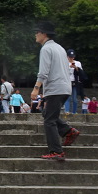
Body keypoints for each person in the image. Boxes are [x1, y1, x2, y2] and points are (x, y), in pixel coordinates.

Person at [31, 22, 78, 161]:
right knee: (48, 113)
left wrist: (36, 88)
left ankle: (56, 151)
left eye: (37, 32)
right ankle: (68, 131)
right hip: (65, 88)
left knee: (49, 120)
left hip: (55, 88)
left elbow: (43, 71)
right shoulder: (60, 48)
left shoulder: (46, 49)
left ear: (44, 34)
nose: (35, 34)